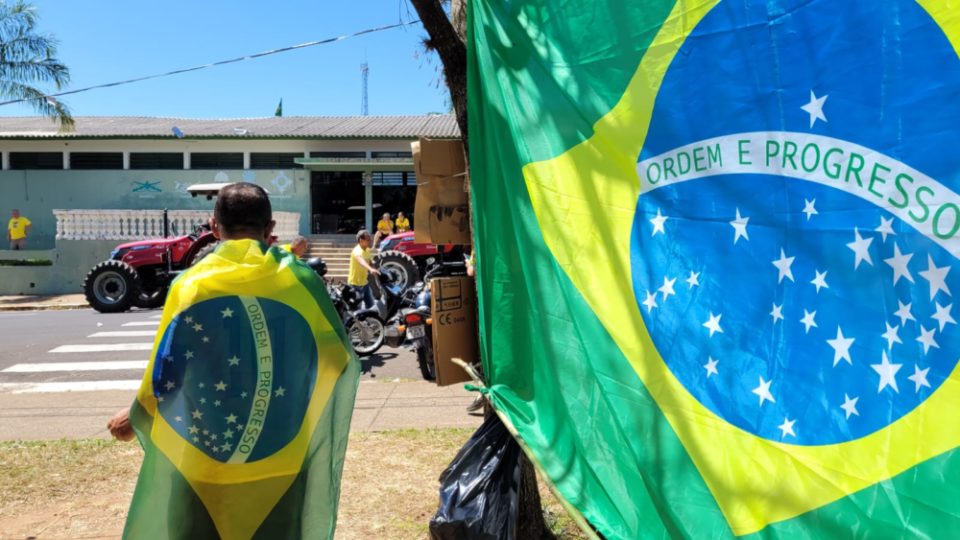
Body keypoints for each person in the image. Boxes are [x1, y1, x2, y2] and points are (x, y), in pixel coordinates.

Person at [107, 182, 358, 538]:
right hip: (282, 458)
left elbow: (166, 376)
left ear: (214, 227)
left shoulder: (192, 285)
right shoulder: (302, 281)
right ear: (270, 229)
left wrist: (133, 418)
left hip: (206, 463)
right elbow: (337, 360)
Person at [348, 229, 380, 308]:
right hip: (355, 285)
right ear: (361, 240)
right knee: (357, 310)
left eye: (370, 239)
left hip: (365, 283)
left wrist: (374, 267)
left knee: (371, 306)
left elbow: (369, 261)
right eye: (368, 240)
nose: (370, 241)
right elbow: (361, 260)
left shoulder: (367, 250)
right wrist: (370, 269)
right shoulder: (357, 251)